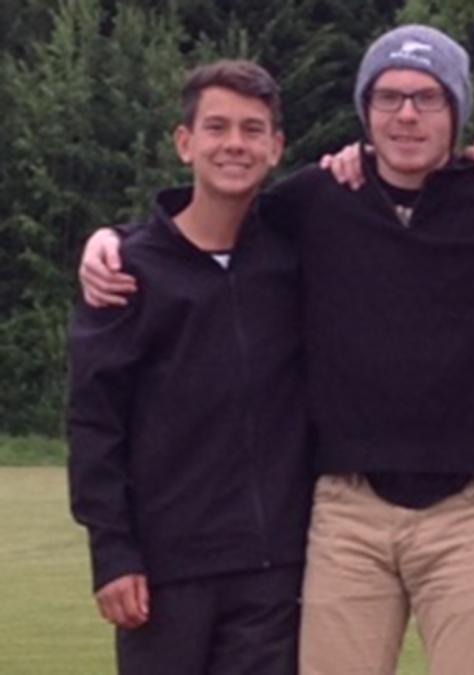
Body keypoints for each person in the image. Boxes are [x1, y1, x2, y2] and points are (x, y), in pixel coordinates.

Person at [78, 26, 474, 675]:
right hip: (346, 508)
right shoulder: (318, 199)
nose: (407, 115)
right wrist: (115, 239)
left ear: (457, 112)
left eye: (428, 98)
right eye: (389, 97)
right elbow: (212, 216)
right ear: (365, 112)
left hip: (468, 510)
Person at [67, 60, 312, 675]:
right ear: (185, 142)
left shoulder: (297, 255)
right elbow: (95, 424)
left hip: (273, 572)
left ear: (276, 147)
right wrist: (114, 554)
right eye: (217, 127)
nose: (235, 144)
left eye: (253, 130)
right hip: (164, 575)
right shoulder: (128, 270)